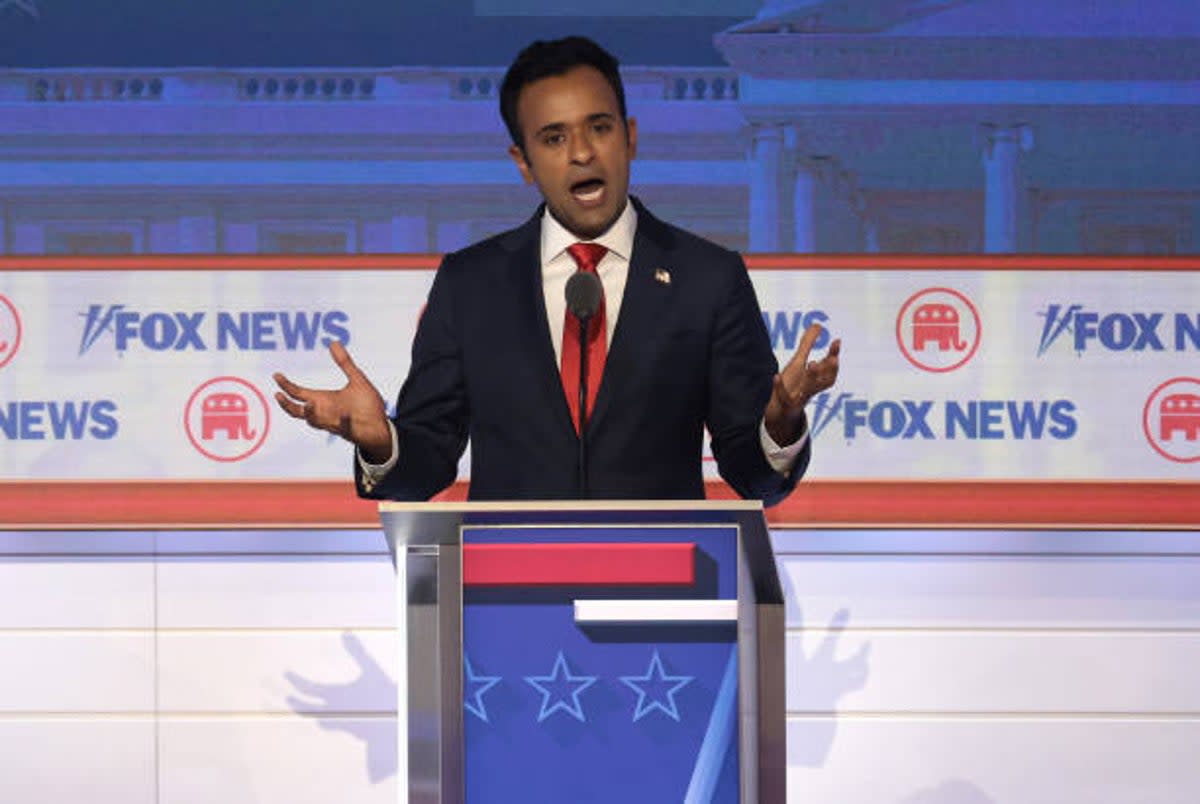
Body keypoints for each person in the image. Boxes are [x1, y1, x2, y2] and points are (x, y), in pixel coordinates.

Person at [273, 36, 839, 506]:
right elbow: (429, 462)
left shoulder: (707, 278)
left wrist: (779, 426)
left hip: (663, 598)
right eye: (553, 138)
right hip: (507, 597)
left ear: (630, 136)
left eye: (599, 128)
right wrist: (381, 443)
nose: (582, 154)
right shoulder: (472, 285)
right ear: (523, 162)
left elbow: (753, 474)